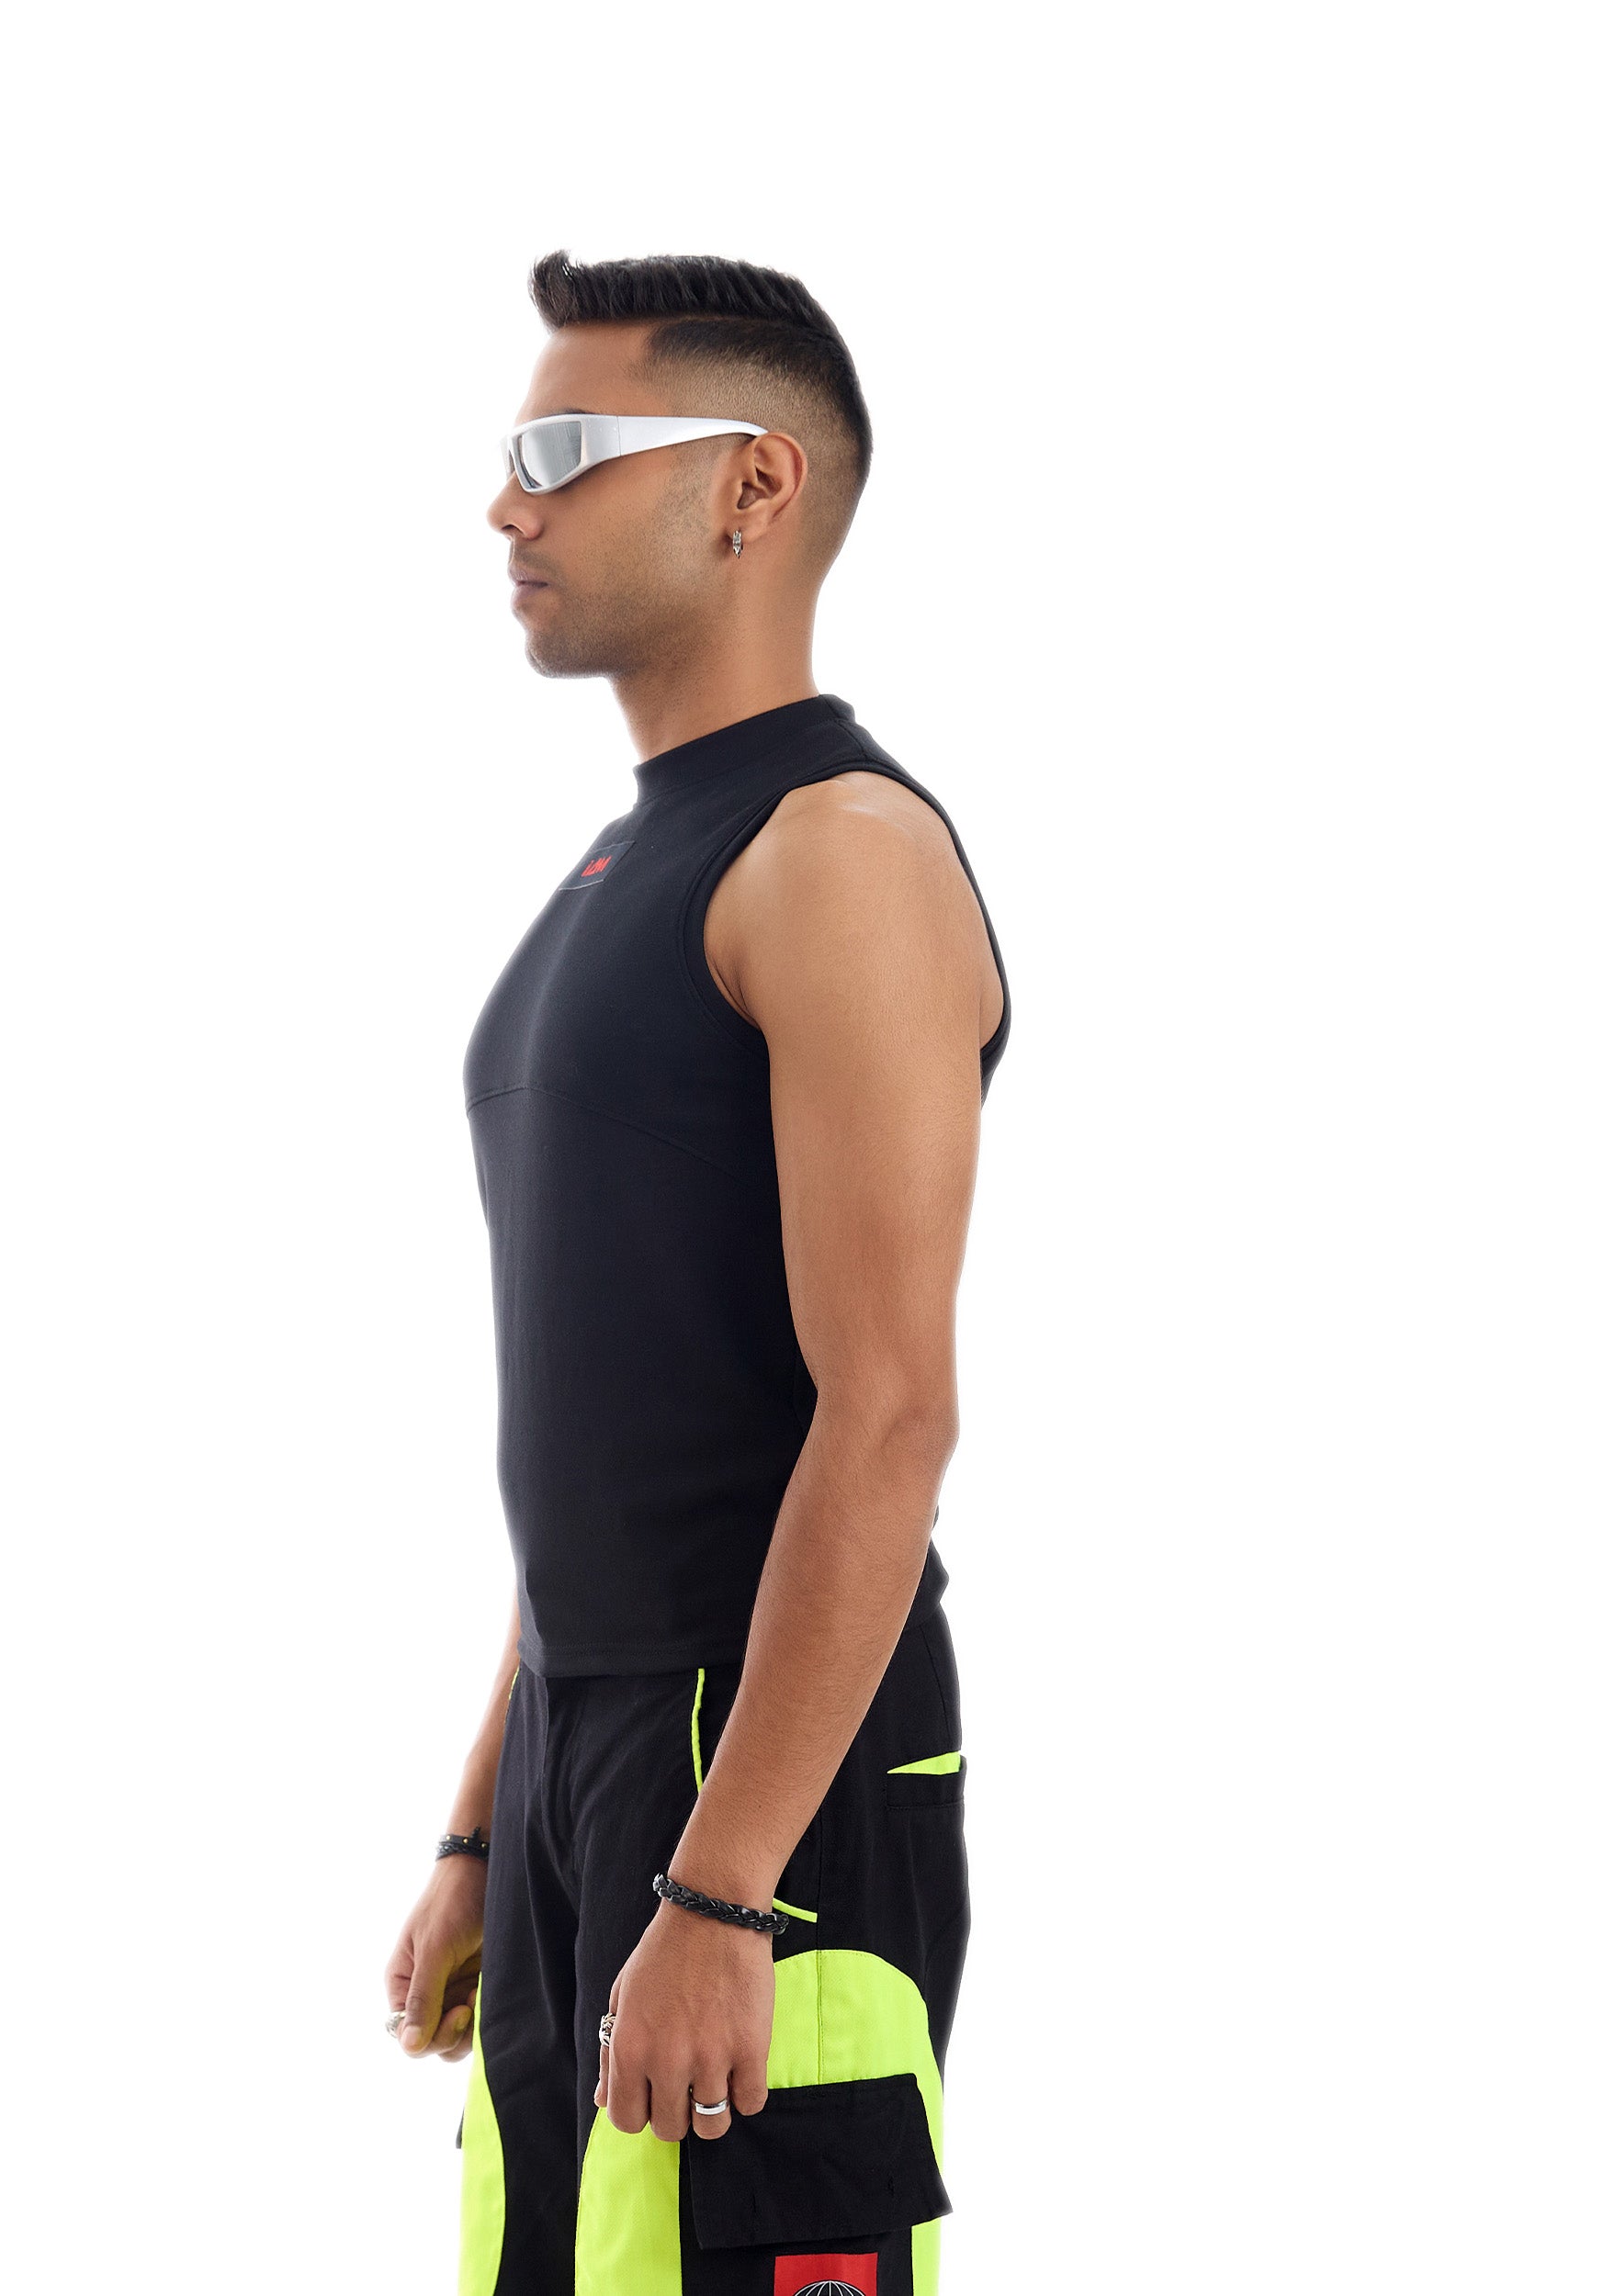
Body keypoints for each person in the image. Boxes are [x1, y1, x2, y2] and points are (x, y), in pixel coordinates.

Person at [385, 250, 1010, 2296]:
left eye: (565, 450)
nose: (509, 504)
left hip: (767, 1778)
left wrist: (726, 1888)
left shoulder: (837, 852)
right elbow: (614, 1422)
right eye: (512, 454)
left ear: (751, 485)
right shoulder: (623, 871)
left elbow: (887, 1411)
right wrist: (487, 1818)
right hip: (590, 1756)